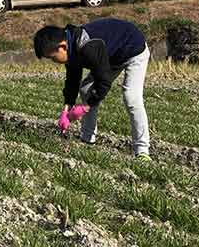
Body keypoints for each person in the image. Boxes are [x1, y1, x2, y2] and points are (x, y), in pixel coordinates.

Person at [33, 18, 151, 161]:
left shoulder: (88, 46)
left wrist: (85, 107)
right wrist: (66, 109)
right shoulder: (71, 46)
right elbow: (72, 80)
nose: (53, 61)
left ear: (62, 46)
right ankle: (87, 139)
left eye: (52, 58)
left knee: (131, 97)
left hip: (133, 49)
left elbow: (104, 82)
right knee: (86, 89)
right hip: (111, 55)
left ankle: (142, 151)